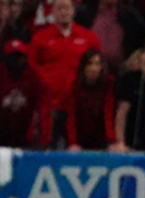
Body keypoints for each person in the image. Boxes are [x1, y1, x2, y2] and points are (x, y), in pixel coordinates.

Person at [28, 0, 98, 146]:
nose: (63, 12)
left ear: (73, 10)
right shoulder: (40, 37)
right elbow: (31, 67)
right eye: (59, 8)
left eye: (67, 8)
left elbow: (97, 65)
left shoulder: (89, 37)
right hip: (49, 105)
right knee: (47, 147)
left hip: (78, 106)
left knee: (76, 148)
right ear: (53, 12)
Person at [64, 48, 113, 149]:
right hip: (80, 134)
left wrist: (110, 141)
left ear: (101, 67)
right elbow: (71, 116)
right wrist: (72, 143)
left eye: (97, 64)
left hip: (101, 134)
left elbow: (108, 113)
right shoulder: (74, 85)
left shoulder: (109, 83)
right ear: (83, 67)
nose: (93, 68)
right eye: (90, 64)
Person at [0, 38, 40, 148]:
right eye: (12, 57)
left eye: (19, 57)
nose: (16, 60)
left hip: (25, 133)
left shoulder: (34, 77)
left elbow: (41, 109)